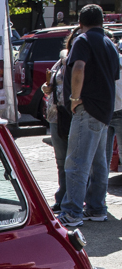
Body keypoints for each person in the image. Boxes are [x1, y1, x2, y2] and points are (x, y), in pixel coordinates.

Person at [61, 4, 118, 227]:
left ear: (80, 23)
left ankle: (72, 212)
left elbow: (78, 68)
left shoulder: (83, 40)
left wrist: (75, 99)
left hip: (88, 109)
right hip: (104, 110)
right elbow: (113, 76)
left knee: (76, 161)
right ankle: (96, 208)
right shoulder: (109, 44)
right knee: (98, 163)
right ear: (102, 21)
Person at [41, 38, 73, 212]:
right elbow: (48, 85)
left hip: (73, 115)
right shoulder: (59, 63)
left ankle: (74, 199)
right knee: (61, 161)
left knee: (74, 161)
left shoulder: (75, 62)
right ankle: (62, 197)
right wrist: (45, 88)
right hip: (56, 116)